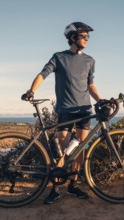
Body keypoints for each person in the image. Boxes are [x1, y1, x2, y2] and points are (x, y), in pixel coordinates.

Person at [22, 22, 101, 204]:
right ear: (73, 38)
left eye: (88, 36)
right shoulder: (59, 57)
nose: (87, 39)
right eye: (83, 36)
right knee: (62, 151)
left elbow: (90, 85)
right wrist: (31, 90)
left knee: (80, 148)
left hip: (84, 110)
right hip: (65, 110)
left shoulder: (90, 60)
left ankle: (73, 185)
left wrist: (100, 100)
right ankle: (56, 189)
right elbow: (43, 74)